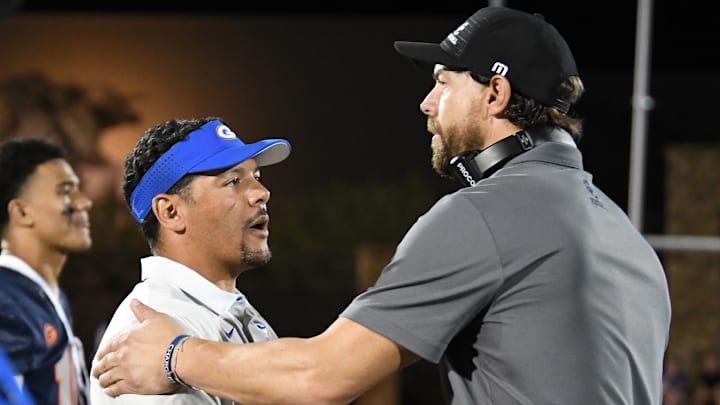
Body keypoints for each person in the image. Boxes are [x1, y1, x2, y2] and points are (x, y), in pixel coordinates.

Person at [92, 6, 672, 404]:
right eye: (230, 180)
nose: (426, 103)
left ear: (494, 93)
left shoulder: (487, 215)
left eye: (444, 83)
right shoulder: (624, 236)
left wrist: (174, 356)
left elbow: (325, 374)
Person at [88, 116, 291, 404]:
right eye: (233, 181)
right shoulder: (146, 339)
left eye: (255, 177)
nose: (261, 193)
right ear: (170, 212)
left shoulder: (226, 309)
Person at [0, 137, 93, 405]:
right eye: (65, 191)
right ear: (21, 211)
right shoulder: (7, 299)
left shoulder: (46, 295)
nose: (83, 203)